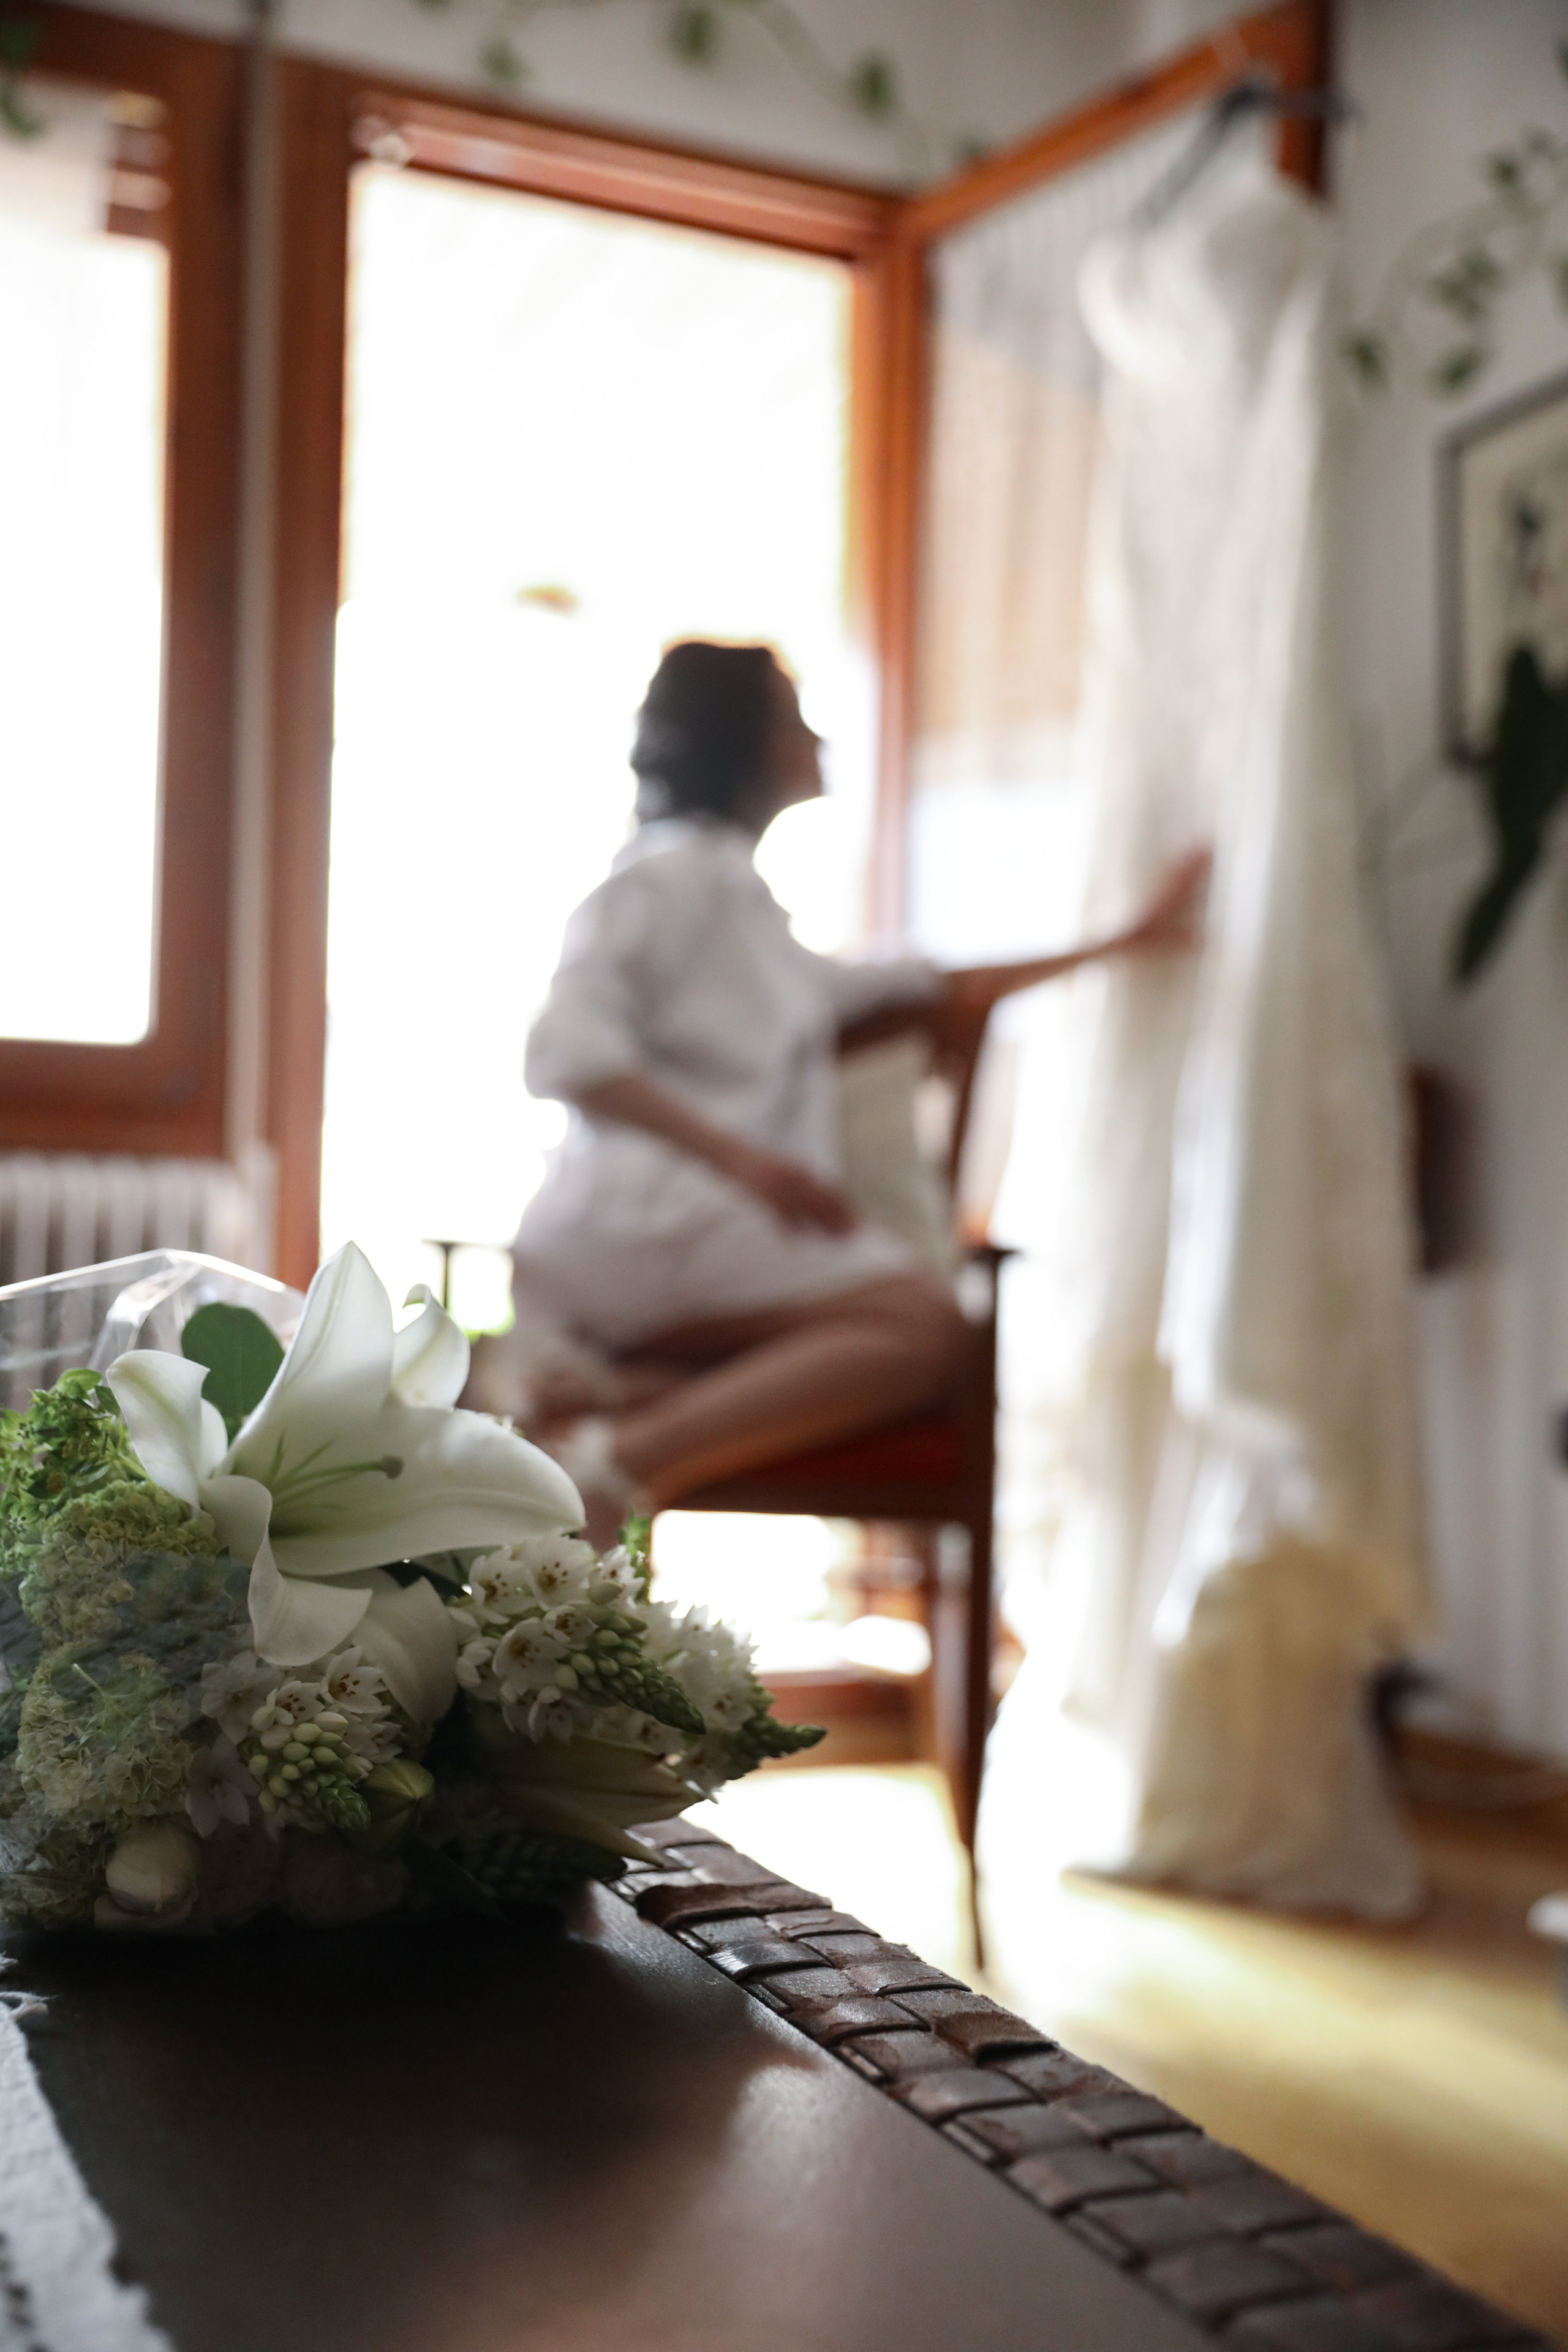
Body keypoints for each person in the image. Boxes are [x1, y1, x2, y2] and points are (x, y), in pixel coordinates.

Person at [510, 639, 1205, 1543]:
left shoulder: (745, 908)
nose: (818, 737)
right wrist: (746, 1163)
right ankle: (617, 1462)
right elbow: (563, 1049)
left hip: (685, 1232)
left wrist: (1120, 942)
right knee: (928, 1328)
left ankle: (605, 1394)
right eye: (796, 714)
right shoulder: (666, 875)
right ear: (747, 738)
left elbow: (928, 984)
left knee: (918, 1317)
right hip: (636, 1222)